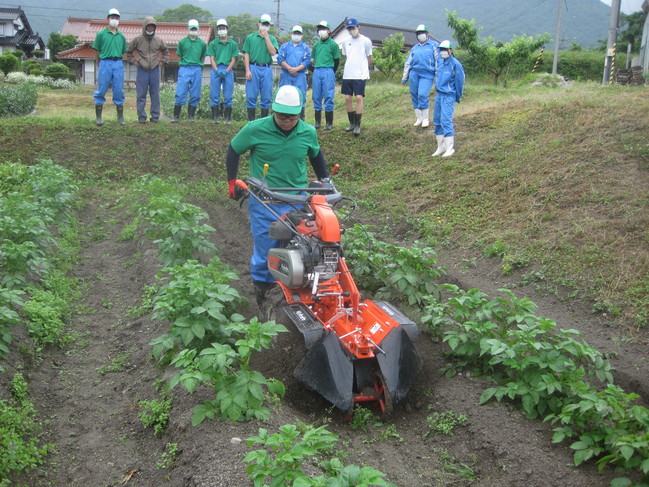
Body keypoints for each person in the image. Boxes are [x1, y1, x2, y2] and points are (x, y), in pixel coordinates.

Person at [225, 85, 330, 305]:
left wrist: (326, 181)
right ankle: (263, 293)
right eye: (282, 116)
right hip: (265, 199)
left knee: (302, 247)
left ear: (299, 114)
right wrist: (232, 182)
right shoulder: (255, 129)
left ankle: (296, 291)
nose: (287, 121)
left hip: (298, 199)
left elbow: (316, 155)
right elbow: (234, 149)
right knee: (267, 248)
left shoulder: (308, 132)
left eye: (292, 117)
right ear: (273, 110)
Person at [127, 17, 169, 123]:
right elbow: (128, 52)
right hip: (142, 70)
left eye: (152, 27)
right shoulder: (138, 39)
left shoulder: (158, 40)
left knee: (155, 94)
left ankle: (155, 117)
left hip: (155, 70)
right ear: (145, 27)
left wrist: (162, 61)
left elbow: (166, 51)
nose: (150, 29)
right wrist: (134, 61)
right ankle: (141, 117)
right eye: (148, 26)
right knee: (141, 94)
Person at [92, 8, 128, 126]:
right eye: (112, 17)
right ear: (107, 18)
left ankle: (120, 117)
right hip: (105, 62)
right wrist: (99, 63)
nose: (114, 20)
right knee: (102, 88)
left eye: (116, 18)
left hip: (117, 62)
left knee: (118, 89)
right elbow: (97, 51)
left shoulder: (121, 36)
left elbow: (123, 52)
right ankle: (99, 118)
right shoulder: (101, 34)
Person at [242, 14, 279, 121]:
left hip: (267, 68)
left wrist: (266, 37)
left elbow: (273, 52)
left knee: (266, 96)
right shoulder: (250, 37)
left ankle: (263, 121)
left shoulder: (272, 38)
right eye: (263, 23)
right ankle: (251, 121)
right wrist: (247, 70)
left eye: (267, 24)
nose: (264, 26)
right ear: (259, 23)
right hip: (253, 67)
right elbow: (246, 54)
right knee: (251, 96)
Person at [432, 40, 465, 157]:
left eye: (446, 50)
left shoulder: (455, 64)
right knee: (437, 120)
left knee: (446, 120)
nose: (443, 52)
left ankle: (450, 148)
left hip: (448, 95)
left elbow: (460, 82)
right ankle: (441, 147)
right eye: (442, 50)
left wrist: (458, 96)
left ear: (451, 50)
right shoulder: (441, 62)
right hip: (439, 95)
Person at [402, 24, 438, 129]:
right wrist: (405, 77)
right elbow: (408, 63)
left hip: (427, 74)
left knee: (422, 94)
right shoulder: (415, 48)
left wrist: (437, 74)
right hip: (414, 73)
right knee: (414, 94)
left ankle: (426, 118)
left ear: (427, 34)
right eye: (418, 33)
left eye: (422, 33)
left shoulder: (433, 45)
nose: (420, 35)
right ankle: (419, 118)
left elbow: (438, 60)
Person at [341, 18, 372, 136]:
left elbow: (369, 57)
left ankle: (358, 125)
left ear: (358, 27)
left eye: (353, 28)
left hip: (360, 74)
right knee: (347, 98)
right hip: (348, 73)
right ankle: (352, 123)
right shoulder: (345, 41)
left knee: (359, 97)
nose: (351, 30)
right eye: (349, 28)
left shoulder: (366, 41)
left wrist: (364, 69)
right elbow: (346, 56)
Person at [172, 19, 207, 123]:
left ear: (198, 29)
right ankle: (176, 116)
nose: (193, 30)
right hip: (185, 68)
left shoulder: (202, 43)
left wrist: (198, 66)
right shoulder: (182, 42)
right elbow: (180, 55)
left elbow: (202, 57)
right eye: (192, 28)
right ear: (188, 29)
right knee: (181, 91)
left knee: (195, 93)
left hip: (196, 68)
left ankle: (191, 116)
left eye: (195, 28)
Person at [207, 18, 239, 124]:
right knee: (214, 94)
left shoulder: (233, 44)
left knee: (228, 95)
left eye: (223, 28)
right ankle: (215, 118)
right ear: (217, 30)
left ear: (227, 29)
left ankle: (227, 118)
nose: (222, 30)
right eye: (220, 28)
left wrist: (226, 71)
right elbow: (211, 58)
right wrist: (216, 70)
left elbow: (233, 59)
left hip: (228, 69)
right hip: (216, 68)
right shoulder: (213, 44)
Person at [277, 25, 311, 120]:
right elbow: (280, 59)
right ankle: (284, 118)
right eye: (295, 33)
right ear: (291, 34)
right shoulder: (284, 46)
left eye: (298, 33)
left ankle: (300, 119)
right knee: (284, 95)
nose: (296, 35)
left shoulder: (305, 48)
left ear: (302, 35)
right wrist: (289, 69)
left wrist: (296, 69)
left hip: (300, 75)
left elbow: (307, 61)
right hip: (286, 75)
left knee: (301, 96)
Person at [310, 21, 340, 130]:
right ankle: (317, 122)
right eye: (320, 29)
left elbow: (337, 60)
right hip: (317, 70)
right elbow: (312, 59)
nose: (321, 31)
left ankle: (329, 123)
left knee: (328, 96)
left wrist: (332, 71)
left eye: (324, 28)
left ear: (329, 30)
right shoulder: (316, 45)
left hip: (328, 70)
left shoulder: (333, 44)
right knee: (316, 96)